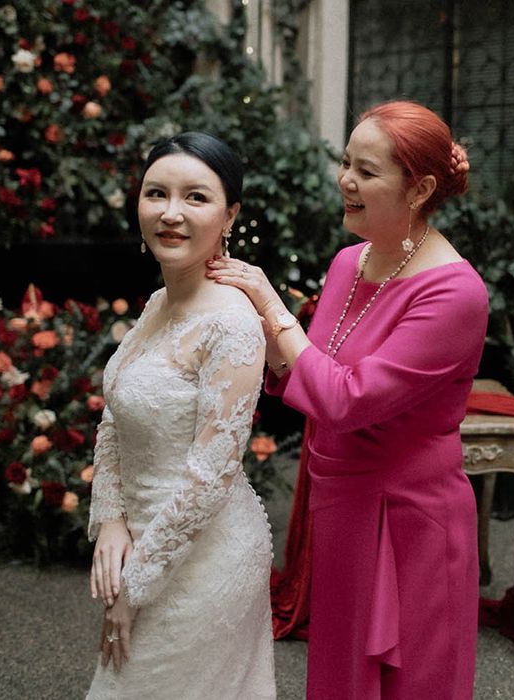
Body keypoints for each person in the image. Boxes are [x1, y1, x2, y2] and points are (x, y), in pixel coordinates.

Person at [207, 100, 488, 699]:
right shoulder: (347, 262)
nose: (345, 181)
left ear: (421, 188)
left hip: (412, 523)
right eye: (345, 162)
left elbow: (347, 398)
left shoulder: (455, 293)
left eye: (366, 171)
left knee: (412, 683)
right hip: (342, 510)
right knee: (340, 679)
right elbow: (309, 365)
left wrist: (271, 303)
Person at [86, 132, 276, 699]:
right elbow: (115, 416)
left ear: (229, 215)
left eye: (195, 197)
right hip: (143, 534)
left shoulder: (232, 324)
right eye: (156, 194)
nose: (170, 213)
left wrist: (133, 589)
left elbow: (210, 477)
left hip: (207, 560)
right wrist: (112, 518)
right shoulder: (157, 303)